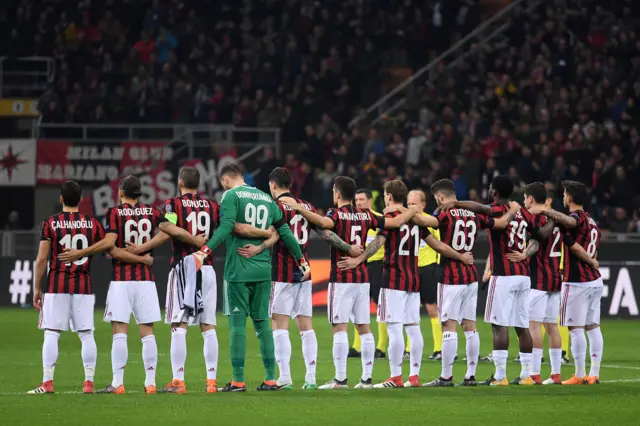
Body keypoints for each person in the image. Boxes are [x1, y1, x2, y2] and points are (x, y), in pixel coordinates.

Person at [122, 166, 268, 394]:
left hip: (184, 265)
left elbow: (166, 227)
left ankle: (178, 381)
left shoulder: (173, 205)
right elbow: (231, 226)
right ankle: (211, 382)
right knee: (208, 325)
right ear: (198, 184)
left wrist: (142, 248)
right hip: (208, 268)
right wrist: (264, 233)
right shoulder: (212, 205)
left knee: (178, 325)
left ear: (180, 183)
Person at [58, 176, 205, 394]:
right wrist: (148, 253)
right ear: (140, 193)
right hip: (146, 280)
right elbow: (170, 229)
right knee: (148, 332)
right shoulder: (153, 212)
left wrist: (80, 253)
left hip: (122, 280)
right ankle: (151, 383)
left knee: (119, 331)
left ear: (121, 193)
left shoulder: (114, 213)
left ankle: (118, 383)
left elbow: (110, 247)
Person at [281, 176, 418, 389]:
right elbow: (396, 223)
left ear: (336, 193)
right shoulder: (366, 215)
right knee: (364, 327)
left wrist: (299, 208)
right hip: (362, 277)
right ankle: (366, 379)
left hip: (343, 276)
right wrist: (412, 210)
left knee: (340, 327)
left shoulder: (335, 214)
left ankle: (341, 380)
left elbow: (324, 224)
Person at [338, 180, 474, 388]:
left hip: (393, 278)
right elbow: (439, 246)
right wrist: (461, 257)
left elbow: (377, 243)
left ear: (389, 197)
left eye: (385, 195)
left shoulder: (391, 218)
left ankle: (395, 377)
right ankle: (414, 376)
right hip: (413, 279)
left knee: (394, 328)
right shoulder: (417, 220)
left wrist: (359, 259)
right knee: (413, 328)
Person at [188, 164, 311, 392]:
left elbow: (226, 227)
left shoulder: (230, 196)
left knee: (237, 325)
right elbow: (285, 232)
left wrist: (204, 251)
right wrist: (301, 259)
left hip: (239, 269)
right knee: (263, 324)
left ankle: (238, 380)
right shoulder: (266, 197)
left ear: (225, 179)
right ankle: (270, 378)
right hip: (263, 270)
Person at [28, 181, 152, 395]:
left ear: (61, 199)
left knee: (51, 333)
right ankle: (89, 383)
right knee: (86, 334)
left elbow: (41, 260)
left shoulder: (50, 223)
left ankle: (47, 383)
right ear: (81, 200)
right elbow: (111, 249)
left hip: (57, 284)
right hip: (83, 285)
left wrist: (37, 289)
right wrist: (142, 259)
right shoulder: (93, 224)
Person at [258, 167, 360, 390]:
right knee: (306, 327)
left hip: (282, 272)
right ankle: (311, 378)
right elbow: (326, 233)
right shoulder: (307, 207)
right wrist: (348, 247)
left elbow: (270, 235)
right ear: (290, 185)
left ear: (273, 185)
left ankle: (284, 378)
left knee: (279, 326)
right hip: (305, 271)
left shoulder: (274, 207)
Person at [410, 179, 518, 387]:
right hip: (470, 274)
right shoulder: (475, 215)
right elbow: (502, 224)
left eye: (436, 199)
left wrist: (409, 213)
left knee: (448, 324)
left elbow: (426, 224)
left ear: (441, 197)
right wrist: (513, 210)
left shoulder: (443, 214)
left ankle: (446, 376)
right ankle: (470, 375)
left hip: (451, 274)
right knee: (469, 325)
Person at [439, 175, 537, 385]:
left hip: (504, 275)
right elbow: (538, 236)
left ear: (494, 192)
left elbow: (480, 208)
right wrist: (526, 254)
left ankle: (500, 376)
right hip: (524, 274)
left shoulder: (501, 210)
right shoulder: (523, 213)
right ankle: (527, 375)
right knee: (522, 326)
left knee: (498, 325)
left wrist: (455, 202)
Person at [531, 181, 603, 385]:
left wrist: (547, 210)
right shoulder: (591, 220)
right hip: (594, 281)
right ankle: (594, 373)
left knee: (576, 328)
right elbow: (593, 247)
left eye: (564, 194)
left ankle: (579, 374)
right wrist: (593, 262)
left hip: (578, 280)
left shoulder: (576, 218)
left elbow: (573, 237)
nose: (563, 197)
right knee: (593, 327)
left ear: (570, 198)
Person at [349, 189, 387, 359]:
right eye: (356, 199)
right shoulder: (352, 220)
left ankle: (381, 347)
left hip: (378, 266)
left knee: (381, 306)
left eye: (362, 199)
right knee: (358, 306)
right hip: (360, 266)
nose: (358, 203)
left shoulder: (379, 219)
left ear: (370, 201)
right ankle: (356, 347)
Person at [407, 189, 443, 361]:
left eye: (414, 203)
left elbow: (441, 245)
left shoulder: (431, 221)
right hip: (409, 270)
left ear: (423, 204)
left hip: (428, 269)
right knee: (409, 310)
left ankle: (439, 348)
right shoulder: (404, 221)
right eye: (409, 204)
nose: (411, 207)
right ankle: (409, 349)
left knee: (432, 309)